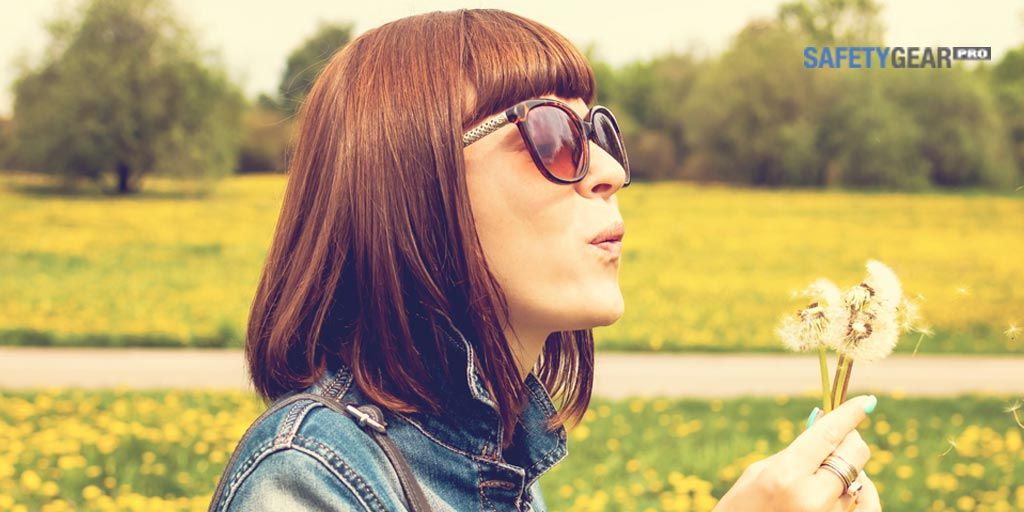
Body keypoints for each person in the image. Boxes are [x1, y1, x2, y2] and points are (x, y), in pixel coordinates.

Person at [207, 8, 881, 512]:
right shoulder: (309, 477)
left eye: (598, 131)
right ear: (410, 180)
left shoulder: (494, 462)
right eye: (553, 134)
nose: (612, 169)